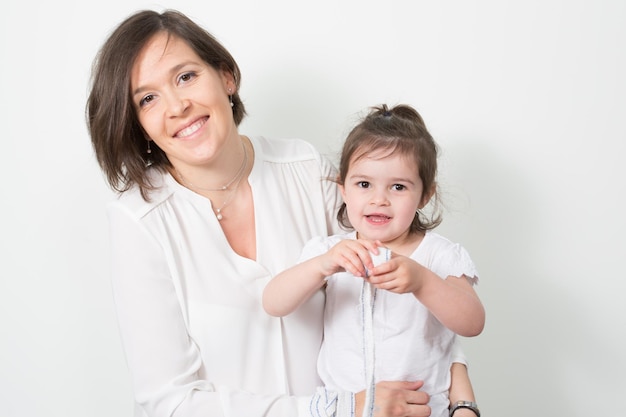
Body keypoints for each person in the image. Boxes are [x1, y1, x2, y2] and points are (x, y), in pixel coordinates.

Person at [86, 8, 480, 417]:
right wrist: (337, 408)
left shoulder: (306, 170)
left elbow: (406, 303)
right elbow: (168, 401)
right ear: (139, 124)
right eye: (147, 98)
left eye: (186, 76)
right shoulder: (140, 221)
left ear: (226, 76)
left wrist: (461, 399)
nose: (177, 105)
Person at [263, 104, 485, 417]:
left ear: (425, 195)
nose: (379, 199)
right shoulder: (331, 251)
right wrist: (321, 265)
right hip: (350, 409)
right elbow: (274, 303)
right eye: (364, 184)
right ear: (343, 189)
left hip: (422, 411)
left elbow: (472, 322)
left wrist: (422, 281)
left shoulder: (439, 254)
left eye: (398, 187)